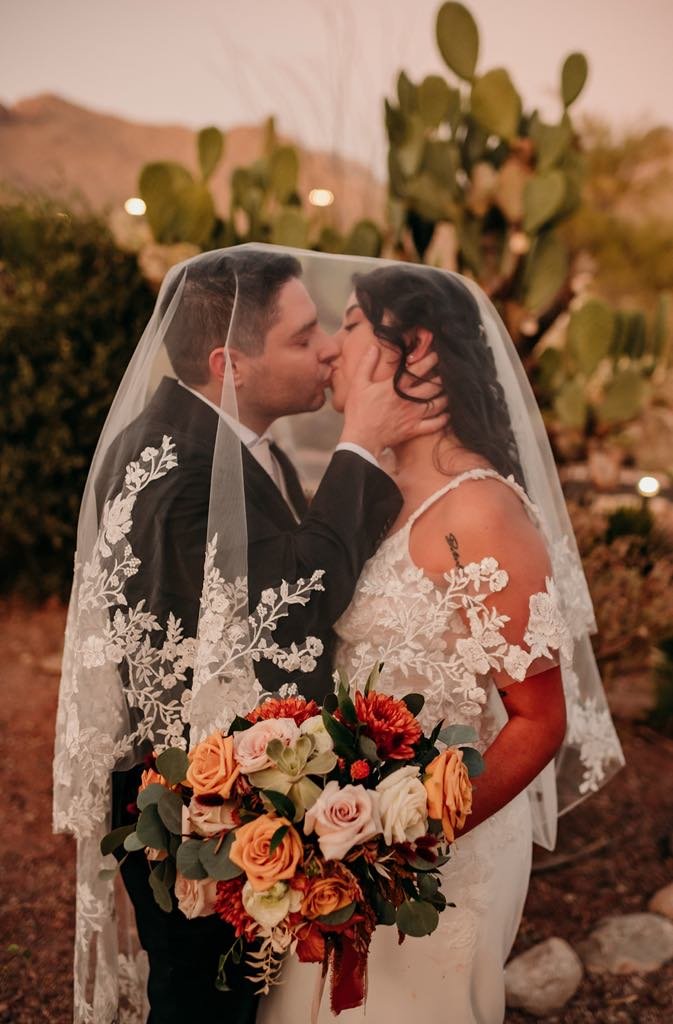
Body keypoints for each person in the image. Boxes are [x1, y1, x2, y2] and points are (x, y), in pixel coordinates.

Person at [52, 248, 447, 1024]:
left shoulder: (232, 441)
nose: (330, 347)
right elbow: (292, 606)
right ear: (230, 363)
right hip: (185, 806)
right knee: (203, 1001)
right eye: (303, 339)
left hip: (230, 779)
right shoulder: (177, 469)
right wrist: (360, 445)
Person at [258, 261, 624, 1024]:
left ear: (414, 347)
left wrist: (403, 844)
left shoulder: (481, 511)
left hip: (433, 864)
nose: (330, 347)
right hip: (337, 844)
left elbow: (538, 720)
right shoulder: (375, 487)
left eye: (351, 324)